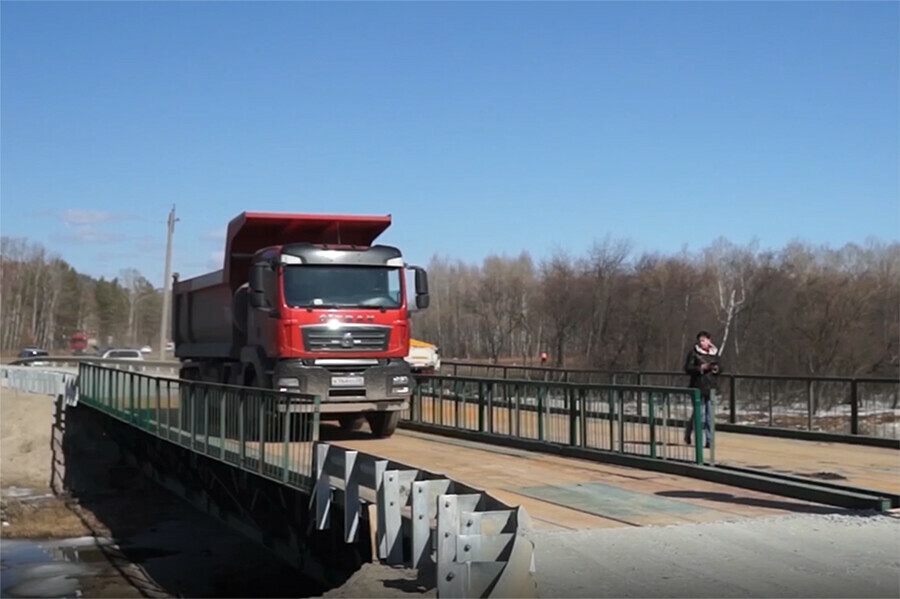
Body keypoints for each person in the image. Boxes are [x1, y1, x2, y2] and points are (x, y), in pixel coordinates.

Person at [683, 330, 720, 448]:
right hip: (697, 387)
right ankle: (697, 439)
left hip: (711, 387)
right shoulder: (693, 353)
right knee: (700, 414)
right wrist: (701, 368)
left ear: (709, 340)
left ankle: (709, 440)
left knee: (709, 416)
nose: (701, 342)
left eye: (703, 340)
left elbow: (721, 366)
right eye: (700, 340)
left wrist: (716, 369)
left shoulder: (714, 353)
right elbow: (688, 368)